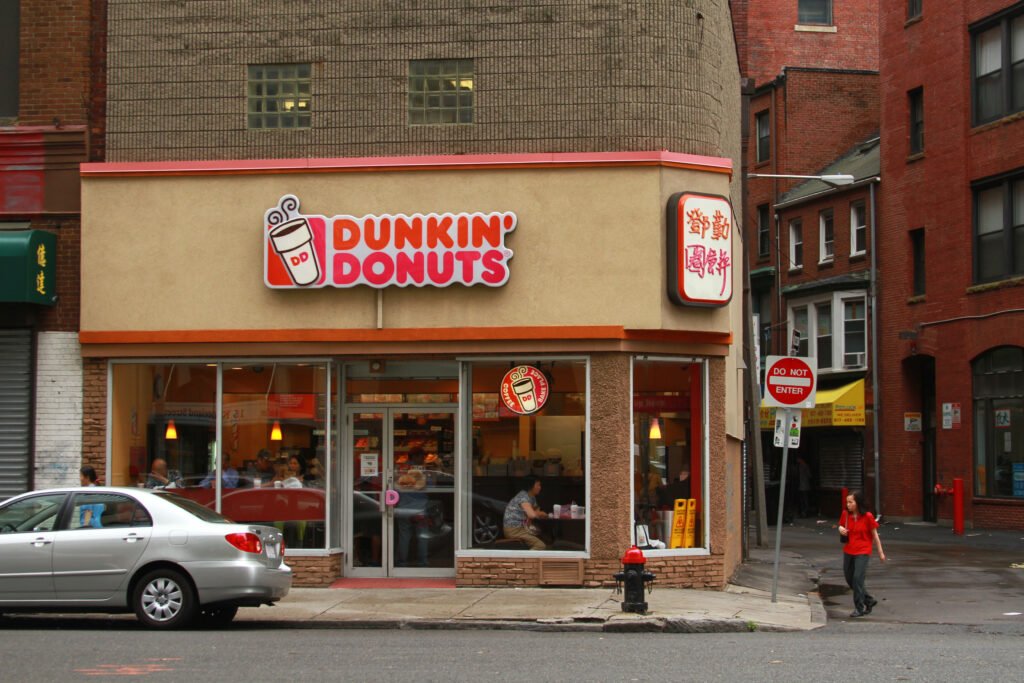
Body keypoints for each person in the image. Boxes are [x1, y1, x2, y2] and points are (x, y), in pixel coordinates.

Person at [839, 490, 887, 618]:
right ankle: (869, 600)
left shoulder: (868, 517)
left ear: (857, 502)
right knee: (850, 579)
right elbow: (840, 526)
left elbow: (875, 536)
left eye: (851, 502)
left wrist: (881, 552)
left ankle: (859, 607)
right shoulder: (845, 514)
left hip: (863, 551)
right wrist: (841, 529)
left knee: (857, 578)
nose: (848, 505)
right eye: (847, 502)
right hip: (849, 550)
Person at [396, 447, 429, 566]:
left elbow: (396, 485)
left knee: (404, 536)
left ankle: (401, 563)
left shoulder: (401, 469)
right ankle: (422, 563)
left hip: (403, 507)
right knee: (422, 536)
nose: (423, 459)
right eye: (422, 456)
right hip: (420, 507)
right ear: (415, 456)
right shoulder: (422, 471)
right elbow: (431, 485)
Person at [503, 475, 549, 550]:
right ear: (531, 486)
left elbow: (536, 510)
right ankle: (526, 560)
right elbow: (532, 515)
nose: (540, 487)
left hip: (522, 528)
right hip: (514, 530)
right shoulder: (523, 497)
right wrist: (541, 513)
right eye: (538, 485)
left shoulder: (532, 497)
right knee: (540, 545)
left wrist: (540, 513)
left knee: (543, 536)